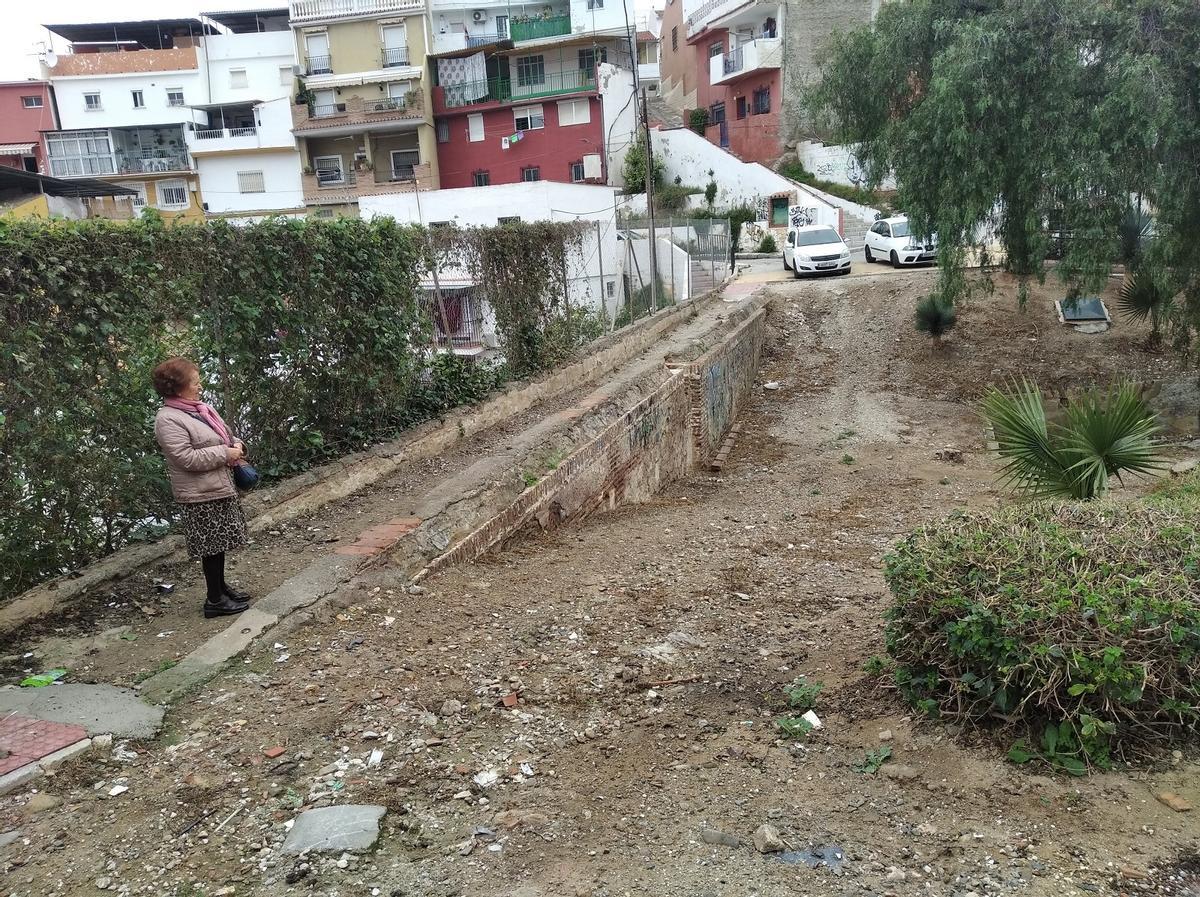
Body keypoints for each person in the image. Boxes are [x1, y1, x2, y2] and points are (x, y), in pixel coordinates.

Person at [152, 357, 252, 619]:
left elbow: (223, 435)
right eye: (195, 382)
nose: (200, 386)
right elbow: (185, 458)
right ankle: (214, 600)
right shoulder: (168, 419)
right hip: (199, 495)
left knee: (220, 544)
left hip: (217, 486)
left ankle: (221, 588)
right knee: (211, 547)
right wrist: (225, 453)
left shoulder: (200, 409)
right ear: (177, 387)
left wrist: (236, 445)